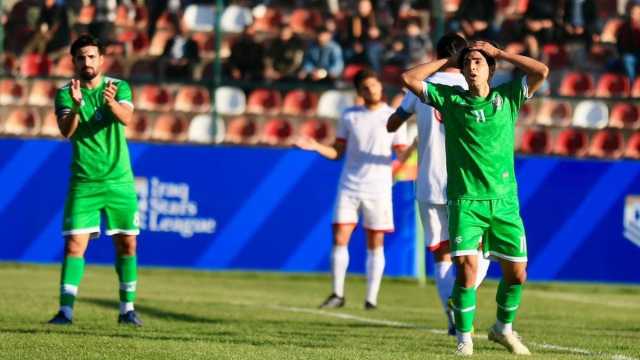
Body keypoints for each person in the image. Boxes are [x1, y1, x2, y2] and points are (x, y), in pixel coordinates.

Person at [400, 41, 549, 355]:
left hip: (505, 202)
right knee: (467, 269)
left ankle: (502, 329)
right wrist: (447, 60)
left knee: (517, 273)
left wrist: (503, 54)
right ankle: (463, 339)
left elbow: (541, 71)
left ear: (490, 70)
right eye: (467, 62)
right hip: (466, 201)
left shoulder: (507, 97)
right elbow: (408, 79)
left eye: (478, 61)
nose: (472, 66)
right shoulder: (450, 100)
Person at [387, 33, 492, 337]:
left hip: (430, 180)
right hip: (468, 182)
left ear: (437, 54)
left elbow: (392, 124)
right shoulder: (475, 85)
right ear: (466, 57)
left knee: (442, 254)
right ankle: (463, 303)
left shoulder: (425, 86)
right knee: (480, 249)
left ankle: (452, 315)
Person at [47, 35, 142, 326]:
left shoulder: (118, 87)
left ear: (101, 59)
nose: (86, 62)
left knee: (127, 245)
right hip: (84, 181)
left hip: (119, 180)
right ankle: (66, 311)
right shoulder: (66, 93)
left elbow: (126, 118)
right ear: (73, 61)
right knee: (75, 245)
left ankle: (127, 310)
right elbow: (67, 130)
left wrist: (111, 103)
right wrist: (76, 107)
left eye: (91, 56)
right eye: (81, 57)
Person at [296, 69, 408, 310]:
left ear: (380, 87)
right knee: (339, 237)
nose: (372, 90)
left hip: (379, 188)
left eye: (375, 85)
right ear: (359, 92)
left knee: (375, 241)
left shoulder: (394, 117)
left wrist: (416, 147)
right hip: (350, 185)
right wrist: (316, 146)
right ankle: (337, 294)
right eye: (366, 87)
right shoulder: (349, 116)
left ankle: (371, 299)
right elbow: (337, 152)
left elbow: (402, 154)